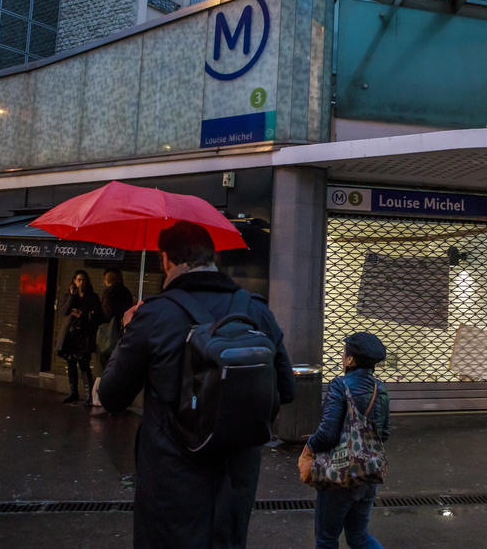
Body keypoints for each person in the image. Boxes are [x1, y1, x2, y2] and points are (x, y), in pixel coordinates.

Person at [98, 220, 296, 548]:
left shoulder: (155, 314)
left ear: (165, 260)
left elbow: (111, 396)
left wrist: (128, 330)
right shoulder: (255, 309)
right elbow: (286, 389)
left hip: (169, 482)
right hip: (235, 481)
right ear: (212, 256)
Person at [300, 332, 391, 549]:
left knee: (326, 539)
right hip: (368, 473)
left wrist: (310, 445)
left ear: (350, 359)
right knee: (359, 537)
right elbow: (383, 433)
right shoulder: (381, 388)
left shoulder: (340, 386)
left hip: (339, 477)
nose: (342, 357)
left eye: (344, 353)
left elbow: (327, 435)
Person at [89, 267, 135, 414]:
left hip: (109, 336)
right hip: (123, 334)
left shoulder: (109, 293)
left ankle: (98, 399)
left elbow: (106, 314)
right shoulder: (126, 292)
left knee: (101, 367)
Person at [55, 270, 103, 404]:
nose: (80, 282)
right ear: (74, 281)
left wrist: (82, 315)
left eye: (82, 280)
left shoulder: (92, 297)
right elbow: (63, 311)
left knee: (84, 364)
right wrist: (71, 296)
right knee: (71, 363)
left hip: (84, 334)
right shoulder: (70, 295)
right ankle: (73, 392)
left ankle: (89, 395)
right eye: (78, 280)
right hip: (70, 334)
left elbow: (97, 315)